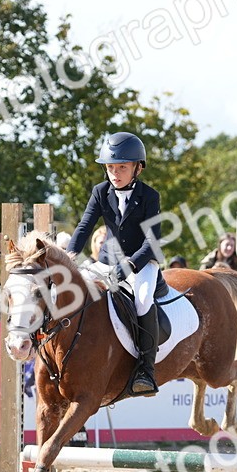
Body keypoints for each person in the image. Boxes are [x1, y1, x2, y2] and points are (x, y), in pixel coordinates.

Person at [66, 131, 162, 396]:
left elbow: (152, 241)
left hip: (142, 261)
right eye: (110, 167)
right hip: (107, 261)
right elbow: (84, 227)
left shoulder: (150, 196)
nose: (115, 174)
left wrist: (130, 266)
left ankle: (146, 370)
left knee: (143, 299)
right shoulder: (100, 192)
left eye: (122, 167)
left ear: (138, 168)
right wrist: (69, 257)